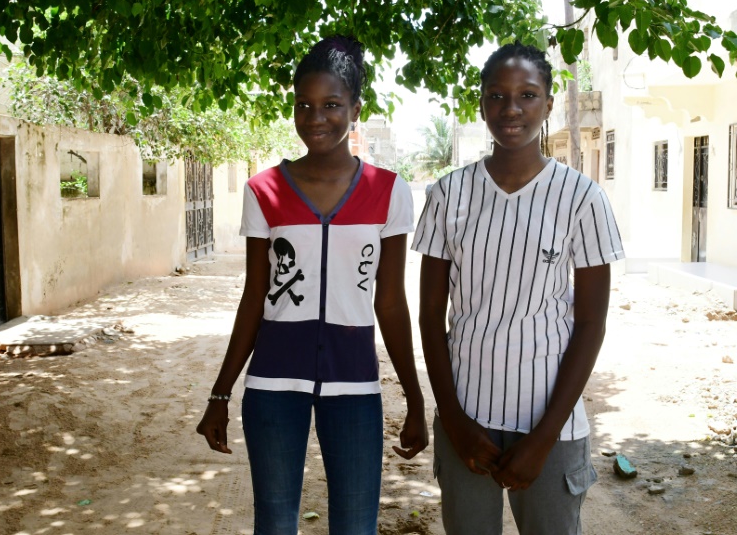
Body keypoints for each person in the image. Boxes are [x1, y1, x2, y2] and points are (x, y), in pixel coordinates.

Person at [196, 35, 428, 535]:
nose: (316, 117)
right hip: (273, 385)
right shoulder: (264, 191)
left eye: (331, 105)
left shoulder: (389, 192)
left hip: (355, 383)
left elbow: (390, 304)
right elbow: (253, 298)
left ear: (355, 109)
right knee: (276, 524)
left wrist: (413, 397)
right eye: (304, 105)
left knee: (356, 526)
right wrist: (220, 394)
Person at [412, 42, 624, 535]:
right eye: (497, 96)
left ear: (548, 104)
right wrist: (455, 422)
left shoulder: (582, 198)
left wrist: (544, 438)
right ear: (482, 104)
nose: (511, 109)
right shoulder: (448, 195)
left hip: (552, 423)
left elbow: (591, 323)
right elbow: (428, 316)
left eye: (527, 95)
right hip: (467, 420)